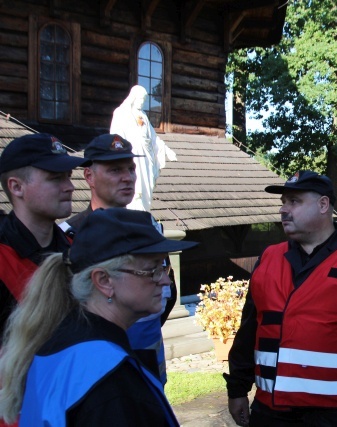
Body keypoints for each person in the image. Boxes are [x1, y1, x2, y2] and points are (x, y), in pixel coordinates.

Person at [224, 171, 337, 427]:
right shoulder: (268, 259)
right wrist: (237, 389)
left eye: (294, 202)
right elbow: (249, 330)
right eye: (283, 203)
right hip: (271, 412)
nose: (284, 210)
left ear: (324, 205)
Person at [0, 208, 198, 426]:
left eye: (163, 267)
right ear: (104, 280)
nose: (165, 281)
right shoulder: (109, 378)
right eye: (152, 270)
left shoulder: (64, 342)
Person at [59, 133, 176, 385]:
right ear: (89, 176)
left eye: (131, 169)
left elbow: (168, 290)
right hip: (96, 366)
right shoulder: (69, 236)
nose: (127, 177)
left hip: (149, 359)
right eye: (115, 170)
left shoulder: (150, 227)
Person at [0, 133, 89, 338]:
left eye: (68, 176)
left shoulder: (76, 250)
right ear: (17, 187)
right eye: (56, 178)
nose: (70, 187)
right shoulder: (3, 256)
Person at [110, 85, 177, 212]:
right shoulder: (121, 113)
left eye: (144, 100)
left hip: (146, 156)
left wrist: (168, 151)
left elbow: (154, 138)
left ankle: (144, 209)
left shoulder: (144, 116)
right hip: (132, 155)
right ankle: (135, 208)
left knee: (147, 183)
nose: (142, 102)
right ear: (133, 97)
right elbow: (116, 137)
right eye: (140, 99)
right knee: (136, 183)